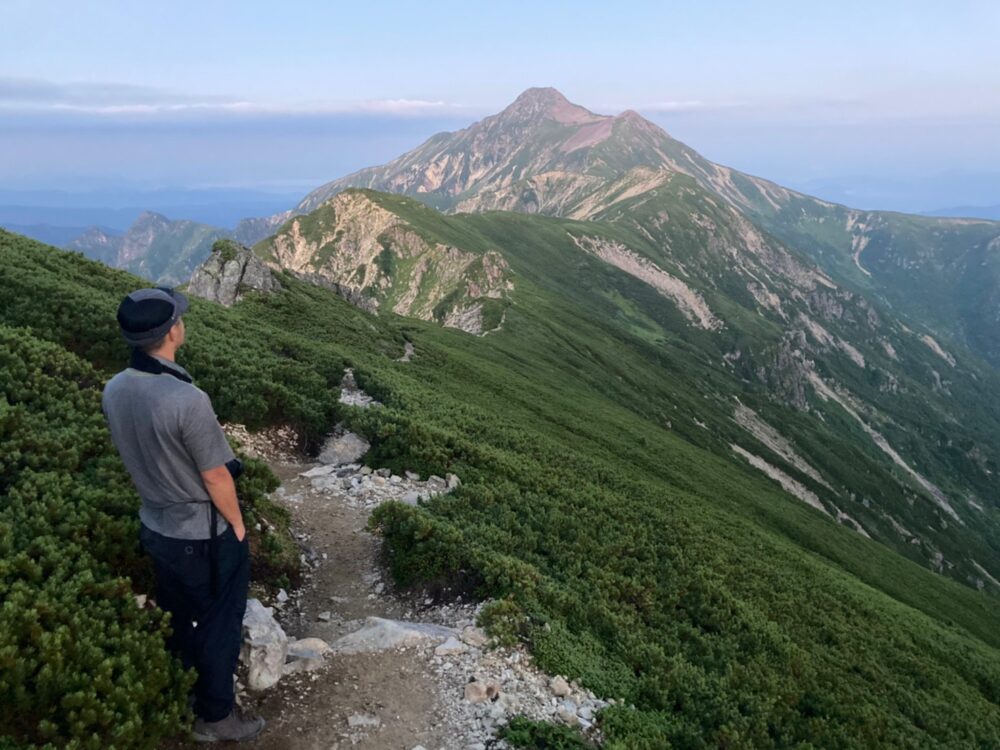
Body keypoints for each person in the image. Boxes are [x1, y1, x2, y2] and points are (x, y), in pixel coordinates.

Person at [101, 286, 265, 743]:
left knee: (180, 613)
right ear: (172, 331)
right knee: (219, 620)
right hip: (202, 531)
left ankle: (184, 691)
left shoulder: (114, 388)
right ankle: (216, 717)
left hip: (155, 524)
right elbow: (216, 476)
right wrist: (237, 525)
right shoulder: (186, 399)